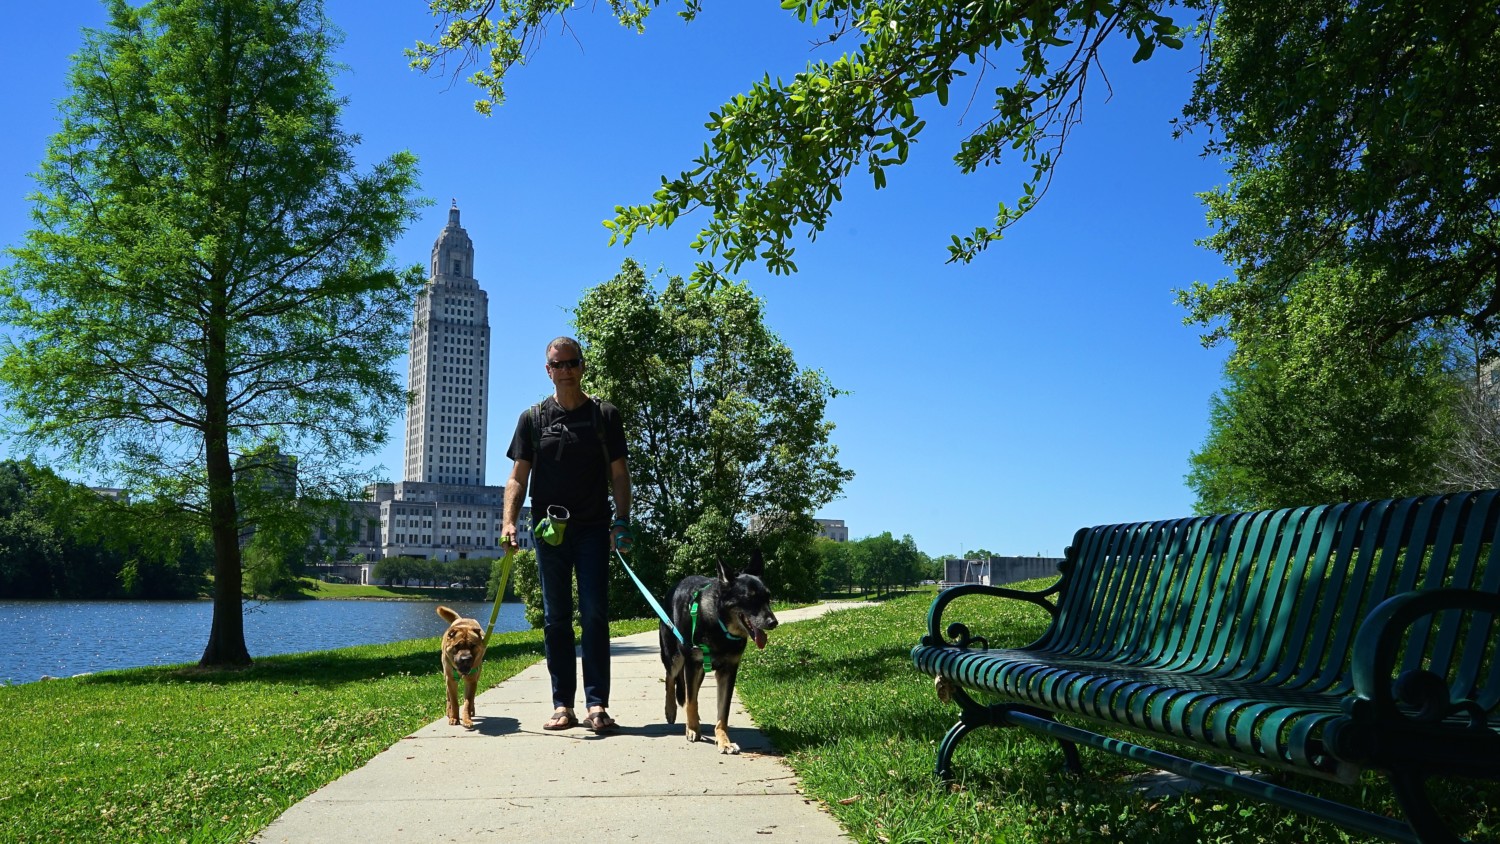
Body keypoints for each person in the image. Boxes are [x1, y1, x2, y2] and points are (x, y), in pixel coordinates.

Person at [502, 336, 632, 732]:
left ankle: (597, 705)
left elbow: (619, 474)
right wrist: (509, 521)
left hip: (593, 528)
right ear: (548, 370)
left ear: (582, 366)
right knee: (556, 618)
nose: (565, 371)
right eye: (557, 365)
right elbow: (517, 477)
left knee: (594, 613)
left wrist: (621, 522)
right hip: (548, 531)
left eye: (571, 363)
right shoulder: (533, 418)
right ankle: (563, 705)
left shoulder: (604, 415)